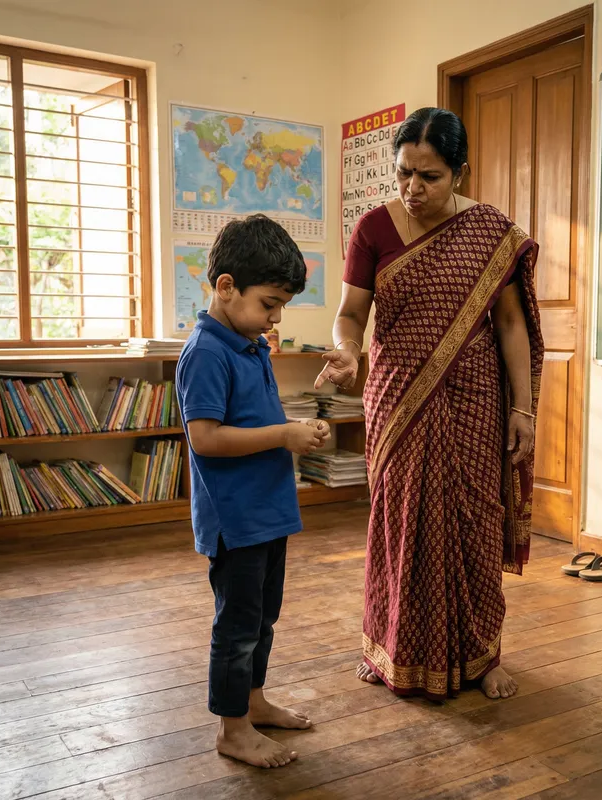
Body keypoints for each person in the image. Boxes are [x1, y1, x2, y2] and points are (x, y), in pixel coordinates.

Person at [316, 107, 544, 701]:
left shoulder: (490, 233)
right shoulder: (373, 229)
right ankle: (392, 647)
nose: (412, 188)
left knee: (475, 522)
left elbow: (511, 324)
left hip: (475, 398)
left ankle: (483, 655)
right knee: (401, 525)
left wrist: (523, 409)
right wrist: (348, 352)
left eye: (430, 176)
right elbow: (350, 314)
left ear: (459, 172)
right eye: (403, 173)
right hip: (398, 397)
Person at [176, 215, 330, 768]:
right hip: (236, 520)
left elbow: (251, 420)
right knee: (237, 626)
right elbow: (206, 438)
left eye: (281, 305)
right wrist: (284, 435)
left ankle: (253, 702)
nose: (276, 317)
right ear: (226, 287)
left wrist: (295, 429)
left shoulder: (249, 343)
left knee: (263, 617)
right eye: (269, 303)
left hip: (268, 512)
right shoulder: (206, 352)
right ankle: (232, 730)